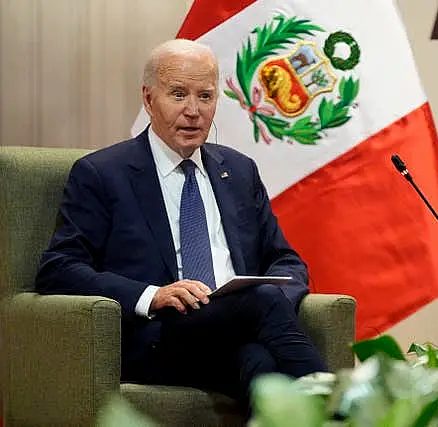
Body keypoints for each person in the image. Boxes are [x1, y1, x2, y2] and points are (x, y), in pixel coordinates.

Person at [35, 38, 328, 406]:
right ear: (148, 99)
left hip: (234, 335)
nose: (193, 111)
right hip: (159, 336)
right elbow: (58, 269)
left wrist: (263, 308)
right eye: (178, 95)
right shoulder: (103, 173)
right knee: (265, 301)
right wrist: (153, 296)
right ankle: (348, 414)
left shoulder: (238, 170)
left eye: (205, 97)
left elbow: (285, 261)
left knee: (261, 366)